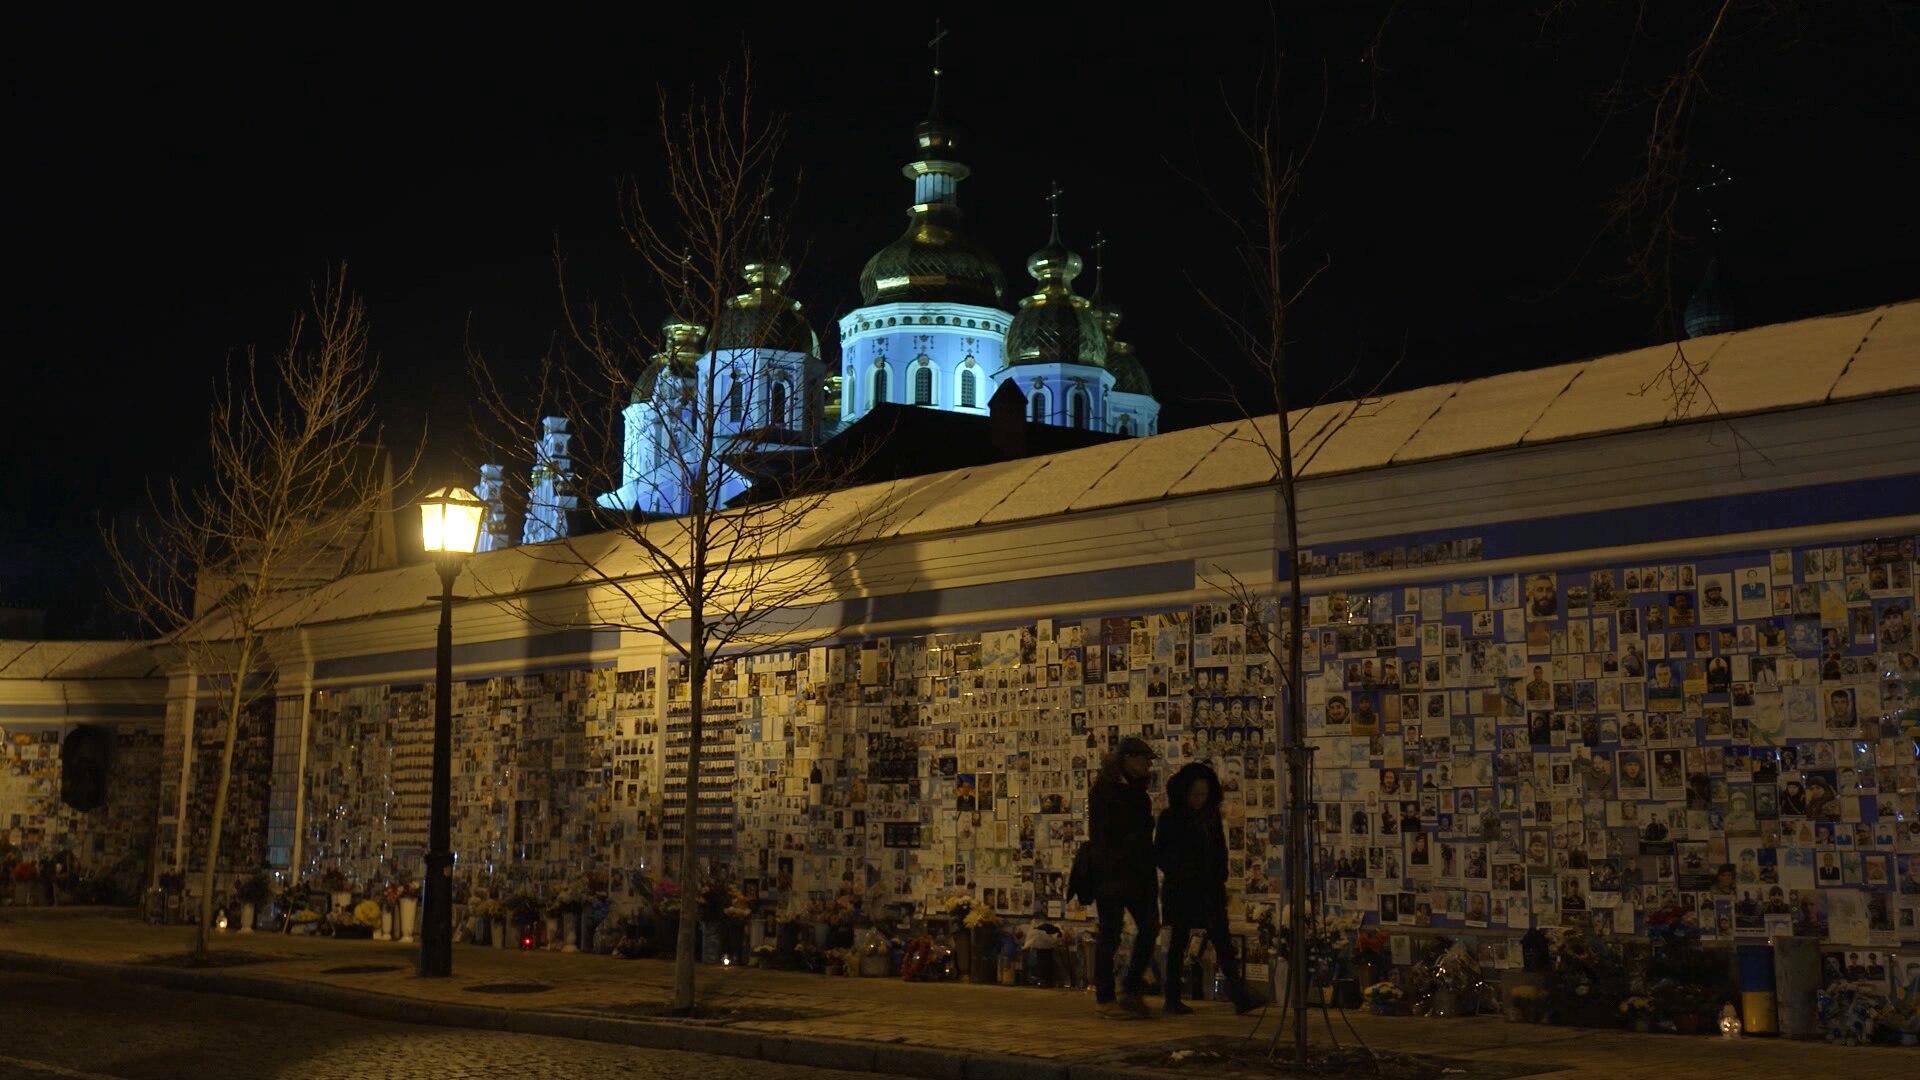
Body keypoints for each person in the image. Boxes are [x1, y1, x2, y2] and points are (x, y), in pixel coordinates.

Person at [1154, 762, 1255, 1015]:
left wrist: (1220, 873)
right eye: (1195, 795)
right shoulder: (1171, 818)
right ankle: (1172, 997)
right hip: (1182, 887)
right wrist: (1182, 871)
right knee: (1179, 940)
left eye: (1204, 794)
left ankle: (1239, 994)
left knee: (1221, 938)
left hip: (1209, 886)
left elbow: (1219, 848)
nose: (1199, 799)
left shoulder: (1209, 816)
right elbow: (1161, 854)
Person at [1082, 736, 1160, 1020]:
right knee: (1110, 933)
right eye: (1144, 759)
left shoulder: (1137, 791)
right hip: (1113, 873)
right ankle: (1105, 997)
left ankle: (1131, 988)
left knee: (1149, 925)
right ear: (1128, 759)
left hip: (1138, 872)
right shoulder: (1106, 790)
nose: (1148, 764)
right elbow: (1107, 835)